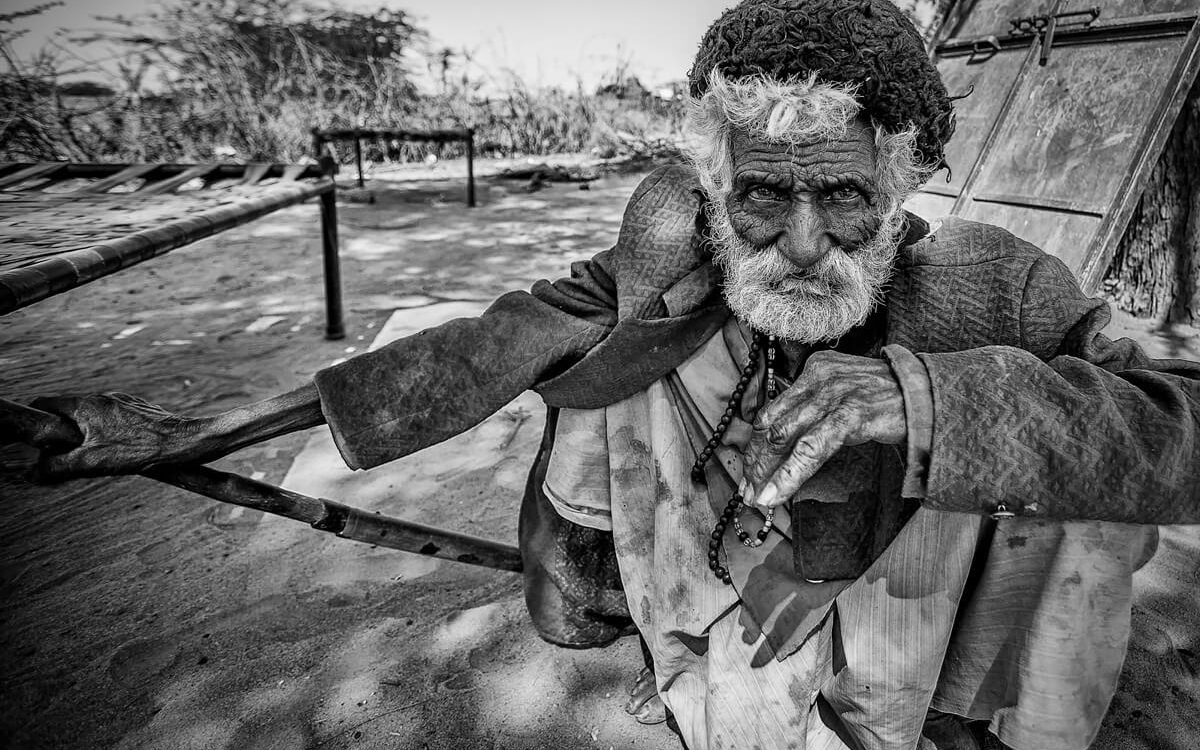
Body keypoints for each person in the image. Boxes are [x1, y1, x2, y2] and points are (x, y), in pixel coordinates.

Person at [28, 1, 1200, 748]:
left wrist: (929, 400)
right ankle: (675, 643)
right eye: (762, 195)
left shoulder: (996, 280)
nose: (799, 243)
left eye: (842, 197)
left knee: (1071, 469)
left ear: (901, 183)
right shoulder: (676, 247)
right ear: (715, 179)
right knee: (627, 369)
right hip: (738, 567)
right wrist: (184, 428)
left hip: (910, 597)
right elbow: (496, 340)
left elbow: (1179, 426)